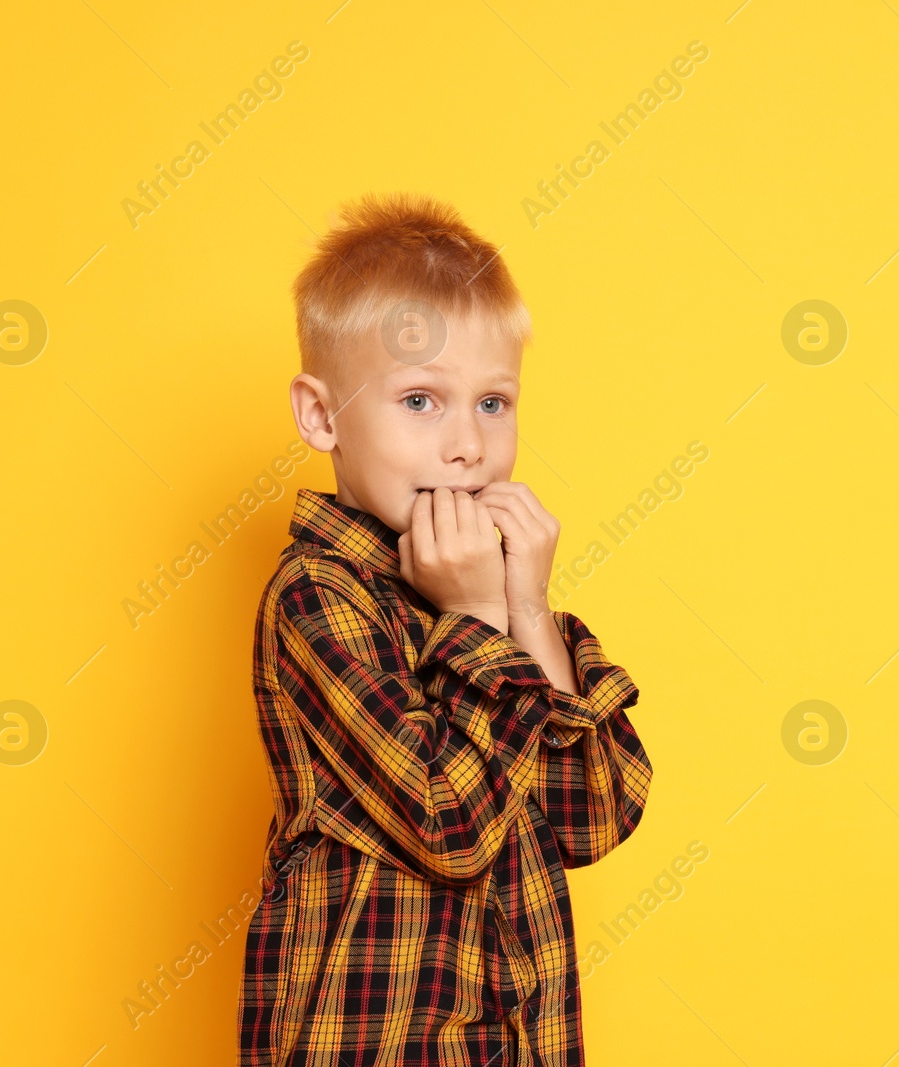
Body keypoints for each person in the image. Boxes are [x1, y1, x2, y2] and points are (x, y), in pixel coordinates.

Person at [239, 192, 652, 1065]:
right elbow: (449, 823)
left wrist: (527, 611)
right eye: (421, 400)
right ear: (321, 416)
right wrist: (476, 620)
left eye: (493, 404)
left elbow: (591, 818)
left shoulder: (493, 596)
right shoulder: (318, 597)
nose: (467, 444)